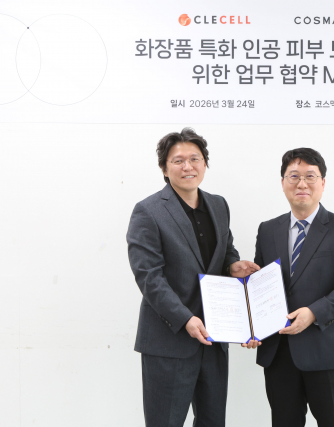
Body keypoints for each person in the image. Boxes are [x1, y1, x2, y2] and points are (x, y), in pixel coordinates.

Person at [126, 128, 259, 427]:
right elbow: (148, 277)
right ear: (164, 168)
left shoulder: (218, 205)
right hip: (169, 339)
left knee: (213, 422)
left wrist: (233, 266)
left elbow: (226, 250)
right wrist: (185, 318)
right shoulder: (148, 211)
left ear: (205, 163)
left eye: (195, 159)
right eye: (178, 160)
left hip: (214, 337)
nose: (188, 166)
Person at [245, 148, 334, 427]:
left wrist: (313, 313)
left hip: (327, 351)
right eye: (294, 176)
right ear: (283, 182)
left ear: (322, 183)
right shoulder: (267, 230)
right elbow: (260, 285)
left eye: (310, 176)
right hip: (279, 353)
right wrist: (251, 326)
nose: (302, 183)